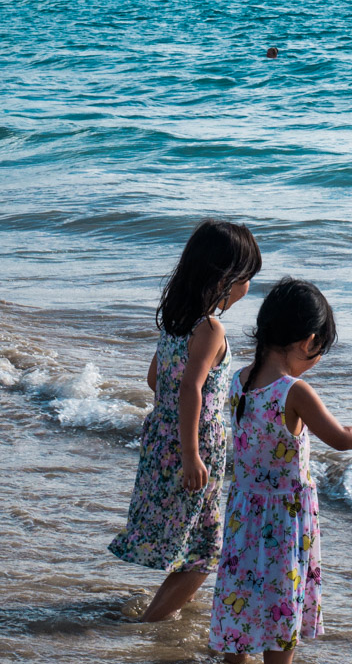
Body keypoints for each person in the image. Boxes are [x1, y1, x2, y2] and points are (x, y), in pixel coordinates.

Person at [209, 278, 352, 664]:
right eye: (320, 350)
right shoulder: (294, 391)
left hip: (243, 515)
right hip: (283, 520)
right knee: (280, 599)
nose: (318, 358)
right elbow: (341, 437)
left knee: (243, 592)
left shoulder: (240, 380)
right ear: (307, 342)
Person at [110, 220, 263, 623]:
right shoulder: (210, 328)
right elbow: (190, 389)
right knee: (203, 550)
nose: (249, 288)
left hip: (164, 436)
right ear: (225, 279)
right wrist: (192, 452)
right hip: (196, 444)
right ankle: (151, 624)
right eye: (247, 278)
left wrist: (167, 431)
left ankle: (167, 612)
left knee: (190, 537)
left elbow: (154, 379)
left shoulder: (177, 321)